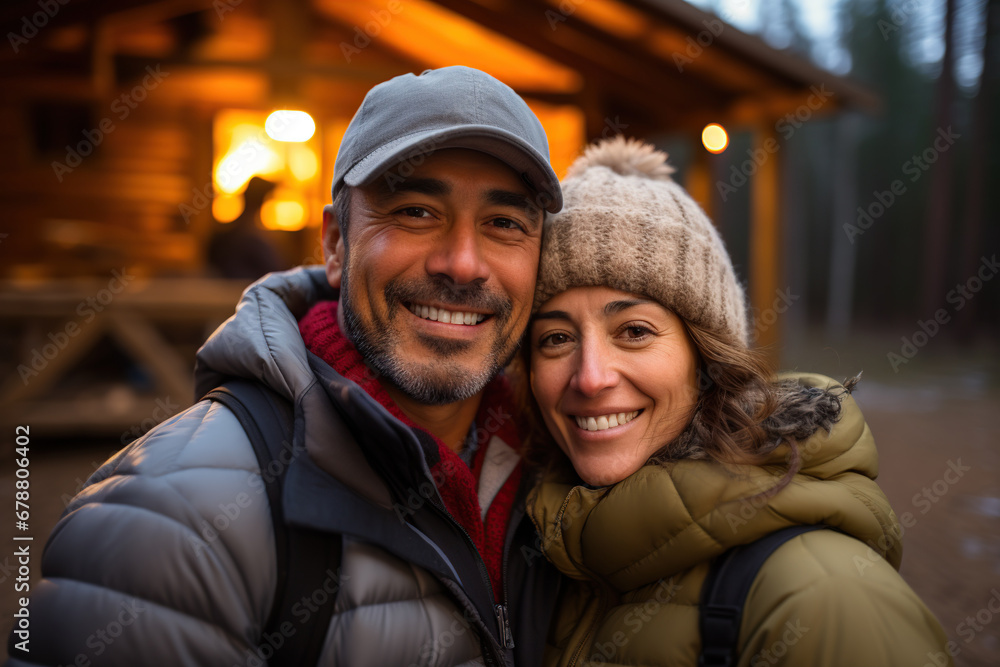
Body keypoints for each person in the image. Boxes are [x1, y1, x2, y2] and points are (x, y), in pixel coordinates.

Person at [7, 66, 564, 667]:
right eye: (414, 211)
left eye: (504, 223)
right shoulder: (172, 523)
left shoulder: (567, 478)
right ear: (334, 245)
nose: (462, 263)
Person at [522, 136, 952, 666]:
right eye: (556, 338)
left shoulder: (822, 599)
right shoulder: (542, 561)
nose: (589, 378)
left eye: (633, 330)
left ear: (707, 360)